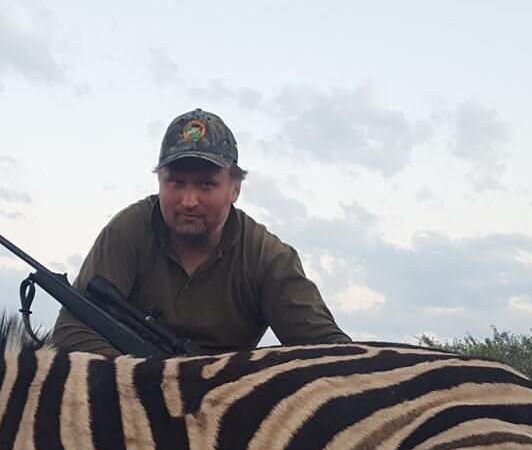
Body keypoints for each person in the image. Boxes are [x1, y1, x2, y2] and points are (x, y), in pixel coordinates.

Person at [51, 108, 352, 357]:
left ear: (235, 189)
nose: (189, 201)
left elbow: (326, 347)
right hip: (132, 400)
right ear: (159, 181)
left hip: (225, 405)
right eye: (176, 183)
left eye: (206, 184)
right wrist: (147, 379)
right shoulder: (127, 230)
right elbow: (72, 329)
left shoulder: (268, 256)